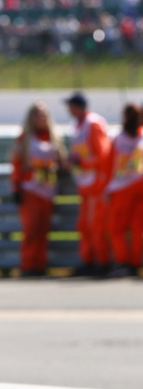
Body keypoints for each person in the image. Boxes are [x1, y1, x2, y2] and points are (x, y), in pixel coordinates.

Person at [104, 104, 143, 278]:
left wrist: (106, 188)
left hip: (121, 189)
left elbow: (108, 166)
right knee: (139, 229)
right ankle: (136, 263)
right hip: (141, 187)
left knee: (117, 229)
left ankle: (123, 262)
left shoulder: (116, 138)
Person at [10, 101, 67, 277]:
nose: (41, 118)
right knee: (31, 229)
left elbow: (62, 161)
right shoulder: (25, 137)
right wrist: (16, 187)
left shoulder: (53, 136)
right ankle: (28, 265)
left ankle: (40, 265)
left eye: (43, 114)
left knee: (43, 229)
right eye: (37, 114)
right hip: (30, 189)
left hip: (47, 190)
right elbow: (17, 164)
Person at [65, 92, 112, 277]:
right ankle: (88, 260)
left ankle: (102, 261)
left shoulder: (93, 124)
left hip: (96, 183)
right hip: (84, 183)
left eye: (71, 105)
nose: (69, 109)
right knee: (84, 225)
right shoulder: (76, 125)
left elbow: (102, 155)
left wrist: (81, 163)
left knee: (96, 224)